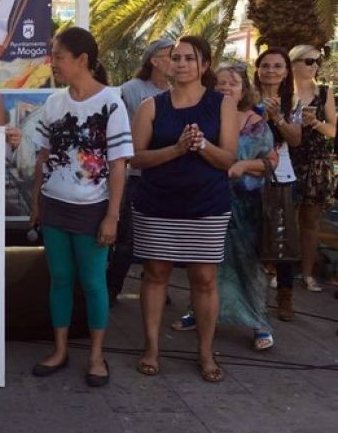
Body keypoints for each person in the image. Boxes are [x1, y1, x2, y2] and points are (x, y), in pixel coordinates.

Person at [29, 27, 133, 386]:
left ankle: (96, 356)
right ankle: (59, 350)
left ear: (82, 60)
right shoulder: (54, 102)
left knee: (92, 283)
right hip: (54, 206)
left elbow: (119, 164)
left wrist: (112, 216)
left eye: (58, 56)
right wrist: (36, 200)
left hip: (93, 210)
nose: (53, 62)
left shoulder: (111, 103)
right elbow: (42, 156)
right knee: (59, 280)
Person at [131, 35, 237, 383]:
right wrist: (176, 150)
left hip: (206, 205)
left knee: (204, 279)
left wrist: (201, 144)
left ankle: (205, 353)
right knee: (155, 274)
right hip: (157, 204)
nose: (181, 63)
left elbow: (228, 159)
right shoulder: (151, 106)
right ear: (165, 63)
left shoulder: (221, 105)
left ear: (204, 65)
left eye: (189, 58)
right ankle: (151, 348)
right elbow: (136, 158)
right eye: (175, 57)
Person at [172, 65, 277, 350]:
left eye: (233, 83)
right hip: (206, 201)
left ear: (244, 89)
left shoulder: (256, 122)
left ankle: (259, 322)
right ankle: (198, 312)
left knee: (248, 265)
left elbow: (271, 161)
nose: (226, 87)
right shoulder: (203, 116)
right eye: (220, 83)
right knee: (203, 265)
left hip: (245, 207)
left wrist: (242, 165)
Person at [107, 38, 173, 304]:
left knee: (163, 238)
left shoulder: (181, 91)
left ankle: (157, 287)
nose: (177, 61)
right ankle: (111, 289)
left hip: (170, 177)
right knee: (128, 238)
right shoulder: (130, 91)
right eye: (171, 55)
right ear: (154, 60)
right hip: (137, 177)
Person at [255, 48, 301, 321]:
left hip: (281, 176)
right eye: (265, 65)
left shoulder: (292, 102)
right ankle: (252, 295)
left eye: (277, 66)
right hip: (249, 176)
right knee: (251, 238)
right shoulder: (245, 98)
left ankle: (285, 295)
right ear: (257, 69)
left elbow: (295, 139)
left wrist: (277, 118)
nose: (271, 70)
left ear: (286, 72)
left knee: (282, 240)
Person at [288, 44, 335, 292]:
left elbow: (334, 130)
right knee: (286, 218)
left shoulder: (324, 92)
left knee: (310, 221)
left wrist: (315, 122)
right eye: (308, 61)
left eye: (317, 61)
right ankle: (281, 271)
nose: (314, 66)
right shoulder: (284, 92)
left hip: (316, 162)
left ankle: (307, 274)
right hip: (288, 159)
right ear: (294, 64)